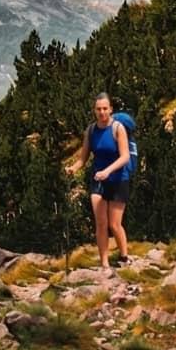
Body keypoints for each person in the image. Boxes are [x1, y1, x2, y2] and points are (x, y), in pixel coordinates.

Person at [67, 92, 130, 268]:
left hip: (118, 179)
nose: (102, 112)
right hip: (98, 179)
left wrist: (108, 171)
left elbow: (125, 157)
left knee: (114, 224)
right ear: (94, 110)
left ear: (110, 109)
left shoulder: (118, 128)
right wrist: (73, 168)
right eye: (98, 109)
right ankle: (104, 263)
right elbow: (83, 158)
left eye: (104, 108)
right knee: (101, 223)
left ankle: (124, 256)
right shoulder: (91, 131)